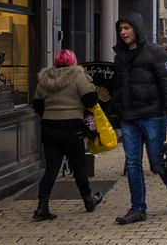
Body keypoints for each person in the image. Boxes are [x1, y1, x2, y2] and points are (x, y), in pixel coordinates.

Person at [109, 12, 167, 225]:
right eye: (120, 29)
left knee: (157, 163)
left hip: (152, 116)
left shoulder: (155, 52)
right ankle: (138, 209)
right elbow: (119, 86)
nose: (123, 32)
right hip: (129, 117)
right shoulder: (120, 56)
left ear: (137, 29)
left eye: (127, 28)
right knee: (133, 163)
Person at [31, 49, 105, 221]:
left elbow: (37, 106)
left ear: (56, 62)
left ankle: (42, 207)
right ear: (73, 61)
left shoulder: (44, 79)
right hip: (72, 128)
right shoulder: (79, 76)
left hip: (49, 128)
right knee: (78, 166)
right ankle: (88, 200)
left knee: (51, 168)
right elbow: (91, 100)